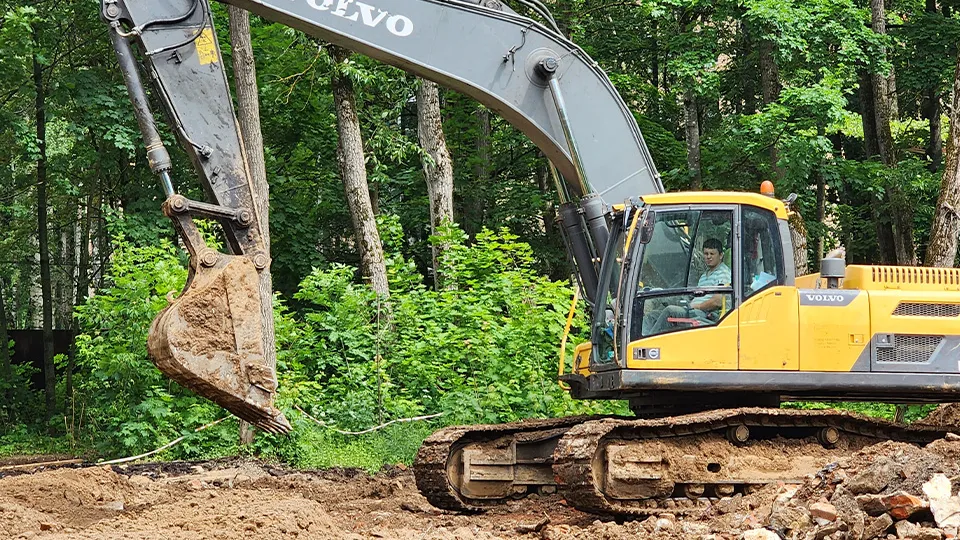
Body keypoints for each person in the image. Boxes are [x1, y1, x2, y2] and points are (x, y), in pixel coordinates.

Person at [643, 238, 732, 336]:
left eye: (712, 254)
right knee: (652, 315)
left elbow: (717, 301)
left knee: (670, 310)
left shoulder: (723, 273)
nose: (708, 257)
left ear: (721, 255)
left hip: (705, 315)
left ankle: (649, 342)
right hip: (692, 309)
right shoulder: (704, 276)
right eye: (706, 254)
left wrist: (696, 306)